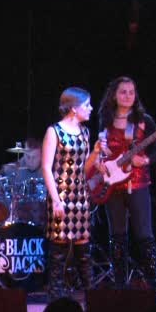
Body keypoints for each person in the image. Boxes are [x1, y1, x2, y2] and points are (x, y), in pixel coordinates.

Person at [96, 76, 156, 302]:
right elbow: (101, 149)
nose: (127, 96)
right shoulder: (105, 119)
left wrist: (144, 161)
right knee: (117, 236)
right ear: (114, 95)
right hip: (112, 185)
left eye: (131, 92)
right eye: (123, 92)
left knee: (145, 235)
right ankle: (119, 288)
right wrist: (100, 161)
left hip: (138, 184)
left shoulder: (145, 121)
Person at [41, 87, 102, 300]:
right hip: (61, 196)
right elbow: (46, 167)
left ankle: (92, 299)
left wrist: (95, 152)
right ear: (74, 108)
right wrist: (56, 200)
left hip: (80, 197)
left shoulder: (85, 132)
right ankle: (55, 298)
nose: (91, 108)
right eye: (87, 105)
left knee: (83, 252)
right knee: (58, 252)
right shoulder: (54, 131)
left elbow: (85, 168)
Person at [3, 137, 46, 225]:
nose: (30, 161)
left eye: (34, 157)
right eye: (27, 156)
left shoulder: (48, 170)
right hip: (19, 219)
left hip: (42, 218)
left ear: (42, 156)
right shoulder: (12, 170)